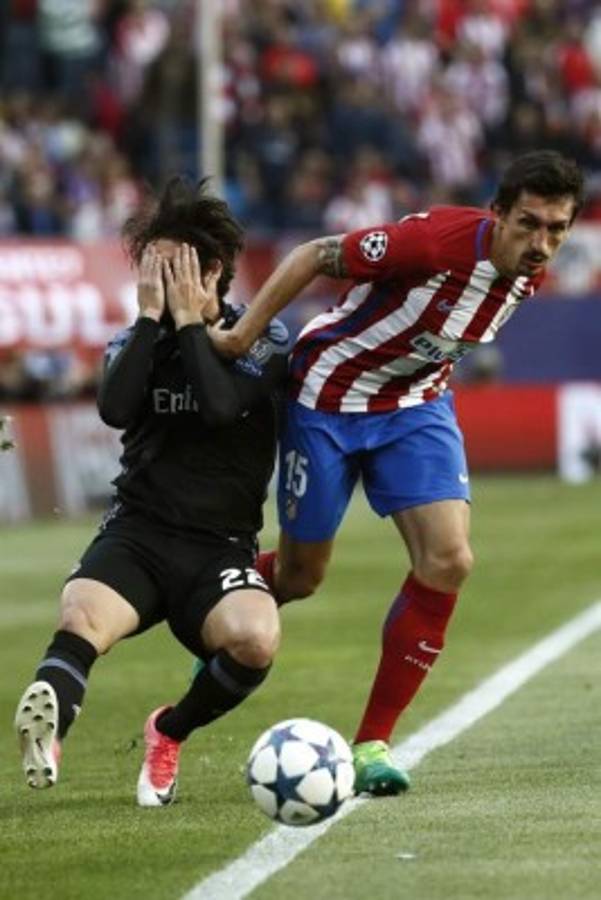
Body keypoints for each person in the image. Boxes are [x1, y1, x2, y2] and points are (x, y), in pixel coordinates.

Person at [207, 150, 585, 796]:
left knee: (449, 558)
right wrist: (242, 338)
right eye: (528, 224)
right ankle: (210, 603)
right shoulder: (431, 242)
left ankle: (372, 742)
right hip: (325, 400)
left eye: (556, 229)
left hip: (414, 408)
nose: (541, 243)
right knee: (300, 577)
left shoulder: (528, 273)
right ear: (496, 214)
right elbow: (310, 256)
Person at [14, 178, 290, 806]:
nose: (152, 279)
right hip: (138, 534)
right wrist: (148, 319)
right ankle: (52, 723)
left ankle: (168, 731)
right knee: (81, 615)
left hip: (219, 549)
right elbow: (113, 408)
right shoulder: (137, 336)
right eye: (148, 265)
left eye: (169, 266)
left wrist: (192, 324)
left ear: (211, 269)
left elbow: (221, 407)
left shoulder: (262, 336)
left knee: (256, 640)